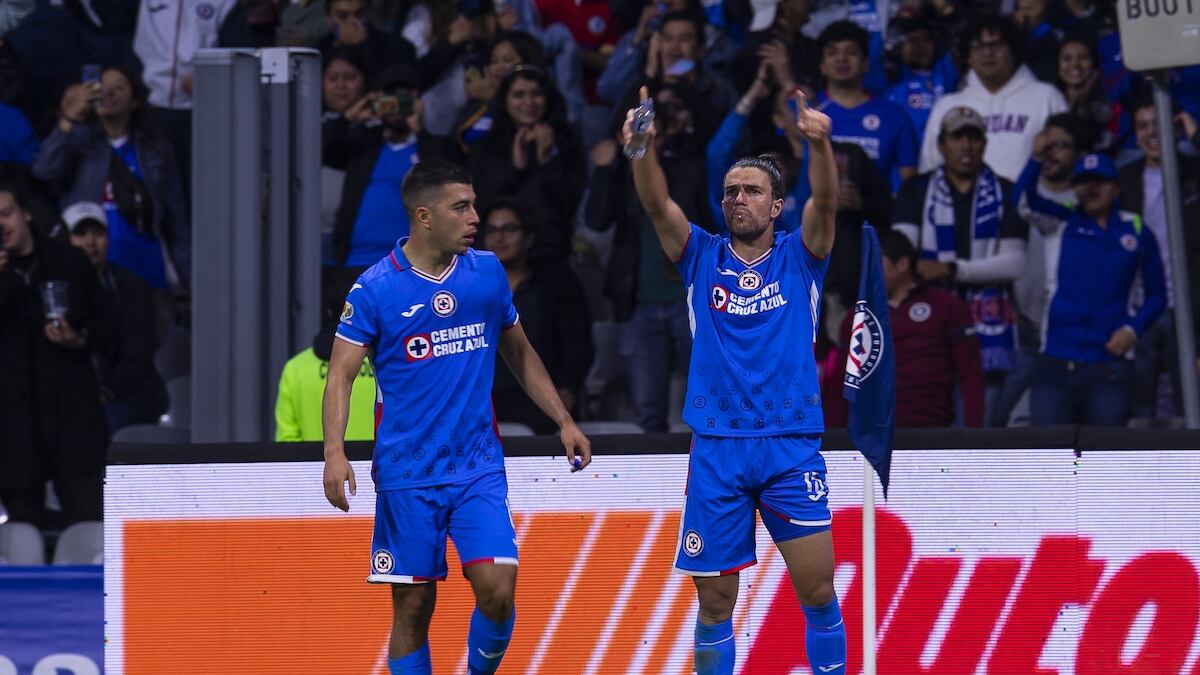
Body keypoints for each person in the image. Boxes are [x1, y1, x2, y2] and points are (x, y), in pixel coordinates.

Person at [321, 159, 591, 675]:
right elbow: (340, 376)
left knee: (497, 592)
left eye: (474, 204)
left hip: (477, 468)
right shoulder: (375, 289)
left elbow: (520, 351)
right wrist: (334, 453)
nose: (475, 217)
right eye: (461, 207)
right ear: (424, 216)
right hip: (407, 473)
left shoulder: (485, 272)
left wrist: (563, 419)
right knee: (413, 609)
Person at [625, 86, 845, 674]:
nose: (738, 198)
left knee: (818, 592)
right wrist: (642, 147)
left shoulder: (802, 256)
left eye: (751, 190)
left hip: (789, 444)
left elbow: (826, 200)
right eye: (730, 191)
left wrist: (818, 143)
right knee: (716, 602)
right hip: (717, 449)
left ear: (777, 206)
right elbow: (657, 205)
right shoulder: (700, 255)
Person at [892, 106, 1028, 426]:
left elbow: (1015, 264)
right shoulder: (917, 189)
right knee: (931, 423)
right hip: (932, 325)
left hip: (988, 332)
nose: (966, 146)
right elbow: (903, 252)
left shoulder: (1006, 192)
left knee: (978, 427)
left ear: (984, 144)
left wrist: (951, 270)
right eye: (958, 137)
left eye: (974, 137)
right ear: (942, 144)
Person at [1015, 146, 1166, 426]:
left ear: (1116, 188)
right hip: (1056, 360)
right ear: (1074, 189)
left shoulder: (1135, 230)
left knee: (1102, 462)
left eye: (1100, 181)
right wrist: (1036, 158)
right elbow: (1022, 201)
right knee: (1050, 458)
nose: (1092, 188)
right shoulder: (1061, 220)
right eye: (1084, 181)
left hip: (1109, 363)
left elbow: (1158, 295)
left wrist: (1132, 330)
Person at [0, 182, 112, 528]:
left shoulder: (68, 260)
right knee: (21, 533)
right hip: (13, 431)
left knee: (91, 522)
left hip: (72, 422)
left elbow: (109, 325)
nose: (1, 225)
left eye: (6, 214)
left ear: (26, 213)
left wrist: (77, 338)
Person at [33, 66, 191, 292]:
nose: (108, 94)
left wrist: (189, 275)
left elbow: (176, 219)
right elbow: (43, 169)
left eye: (118, 88)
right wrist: (71, 116)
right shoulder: (78, 143)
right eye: (102, 88)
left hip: (146, 264)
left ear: (135, 101)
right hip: (91, 267)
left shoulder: (156, 149)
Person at [826, 229, 984, 427]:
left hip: (931, 434)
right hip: (873, 436)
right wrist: (833, 442)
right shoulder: (857, 316)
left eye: (876, 265)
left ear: (902, 265)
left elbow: (970, 376)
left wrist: (972, 438)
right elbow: (842, 382)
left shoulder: (946, 306)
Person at [480, 197, 594, 434]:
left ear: (529, 237)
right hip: (486, 401)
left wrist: (568, 388)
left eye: (509, 229)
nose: (499, 237)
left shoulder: (556, 281)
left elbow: (578, 342)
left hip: (541, 401)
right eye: (491, 230)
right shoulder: (471, 285)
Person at [1118, 102, 1200, 422]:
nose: (1152, 132)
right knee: (1140, 409)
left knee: (1188, 406)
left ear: (1177, 127)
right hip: (1143, 307)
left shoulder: (1194, 173)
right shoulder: (1124, 180)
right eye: (1142, 125)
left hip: (1189, 309)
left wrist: (1195, 138)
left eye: (1160, 122)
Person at [918, 14, 1068, 181]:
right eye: (978, 46)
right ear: (968, 56)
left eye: (996, 45)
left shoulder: (1047, 97)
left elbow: (1066, 162)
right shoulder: (947, 106)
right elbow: (930, 168)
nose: (987, 53)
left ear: (1013, 50)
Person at [64, 201, 168, 435]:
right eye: (80, 233)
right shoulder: (58, 290)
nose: (90, 242)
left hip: (131, 394)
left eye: (98, 233)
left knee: (95, 426)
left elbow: (137, 355)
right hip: (74, 397)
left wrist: (104, 393)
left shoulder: (132, 287)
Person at [816, 20, 919, 190]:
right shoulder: (808, 112)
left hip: (878, 214)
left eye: (851, 52)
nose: (841, 58)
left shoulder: (894, 116)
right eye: (832, 53)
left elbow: (910, 185)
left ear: (865, 64)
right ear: (822, 66)